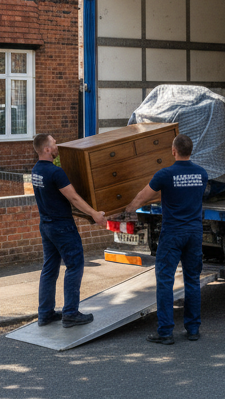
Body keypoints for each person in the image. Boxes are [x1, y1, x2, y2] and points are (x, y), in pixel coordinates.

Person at [123, 133, 208, 344]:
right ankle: (193, 329)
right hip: (194, 232)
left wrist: (129, 208)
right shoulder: (202, 174)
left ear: (173, 151)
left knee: (165, 281)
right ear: (191, 151)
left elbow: (145, 194)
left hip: (173, 234)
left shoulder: (165, 174)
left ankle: (166, 332)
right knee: (192, 280)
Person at [31, 133, 107, 328]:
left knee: (49, 268)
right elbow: (73, 198)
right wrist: (95, 214)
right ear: (47, 149)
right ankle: (71, 313)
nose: (57, 146)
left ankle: (45, 313)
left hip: (46, 225)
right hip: (62, 226)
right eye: (54, 143)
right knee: (75, 266)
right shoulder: (56, 173)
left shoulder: (36, 171)